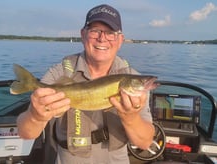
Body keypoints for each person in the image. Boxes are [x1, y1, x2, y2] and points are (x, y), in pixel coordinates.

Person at [17, 4, 155, 164]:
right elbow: (25, 133)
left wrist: (130, 117)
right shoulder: (59, 73)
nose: (102, 38)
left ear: (120, 40)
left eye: (110, 33)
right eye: (95, 31)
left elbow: (144, 143)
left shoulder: (133, 79)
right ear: (83, 35)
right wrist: (35, 116)